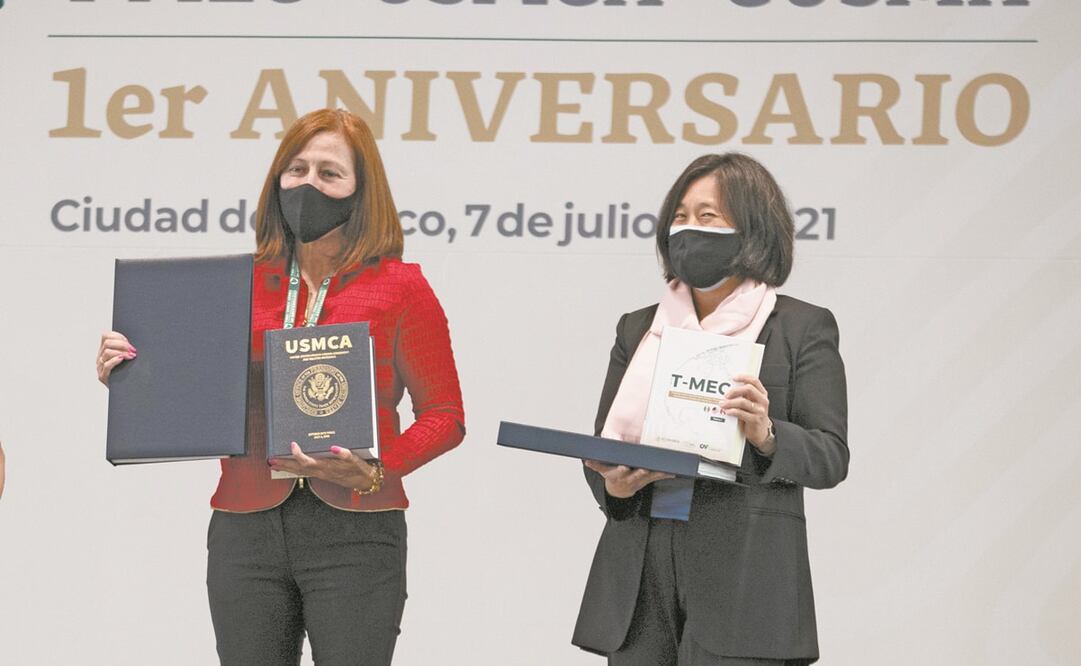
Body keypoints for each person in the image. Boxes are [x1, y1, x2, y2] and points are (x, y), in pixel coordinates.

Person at [96, 108, 466, 665]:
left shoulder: (400, 287)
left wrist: (377, 468)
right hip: (245, 528)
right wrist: (132, 374)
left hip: (357, 530)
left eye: (329, 173)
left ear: (362, 193)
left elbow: (445, 414)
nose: (308, 183)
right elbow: (195, 387)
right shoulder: (234, 282)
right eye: (296, 169)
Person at [573, 153, 848, 665]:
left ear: (753, 228)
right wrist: (614, 487)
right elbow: (603, 449)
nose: (688, 229)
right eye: (680, 216)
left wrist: (766, 434)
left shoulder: (800, 327)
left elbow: (830, 457)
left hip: (745, 581)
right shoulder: (638, 328)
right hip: (641, 575)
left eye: (708, 216)